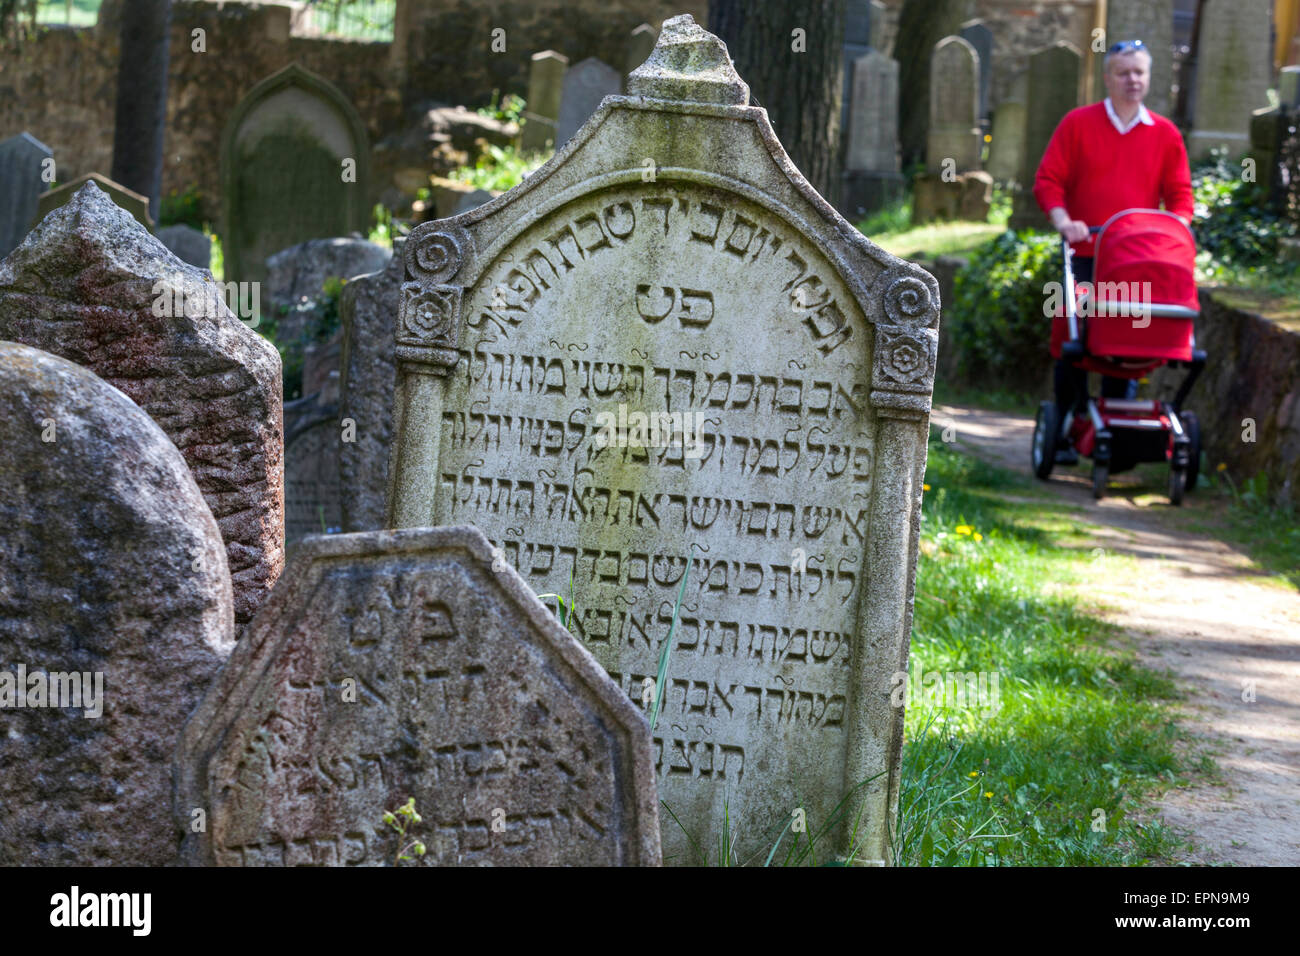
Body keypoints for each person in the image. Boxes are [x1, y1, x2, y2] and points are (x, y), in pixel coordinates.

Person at [1033, 39, 1194, 462]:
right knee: (1074, 341)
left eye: (1139, 72)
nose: (1132, 80)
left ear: (1149, 77)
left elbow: (1180, 196)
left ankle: (1119, 436)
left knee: (1129, 343)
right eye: (1123, 72)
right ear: (1107, 78)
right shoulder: (1078, 124)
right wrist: (1064, 221)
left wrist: (1174, 229)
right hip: (1086, 255)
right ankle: (1067, 427)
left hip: (1137, 263)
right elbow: (1048, 181)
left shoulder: (1165, 133)